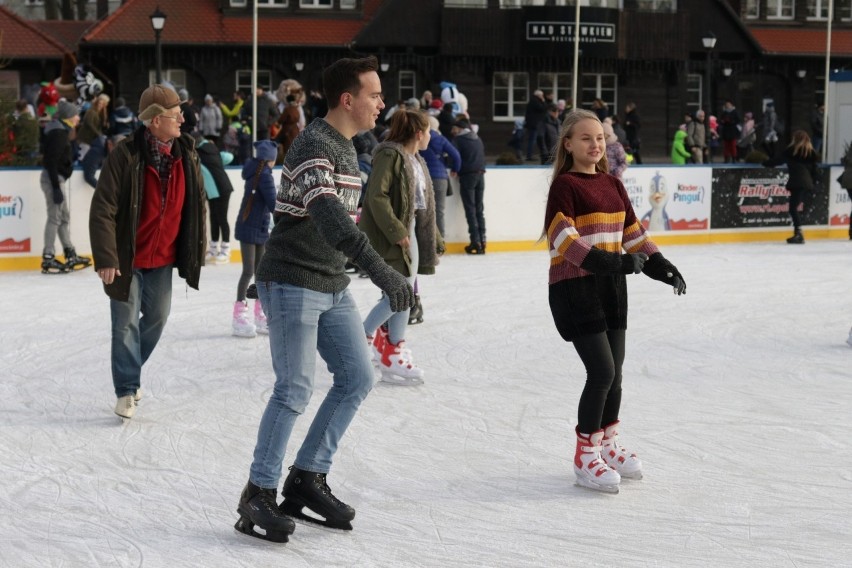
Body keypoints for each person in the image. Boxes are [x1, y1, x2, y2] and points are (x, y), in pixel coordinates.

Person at [234, 56, 414, 543]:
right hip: (293, 281)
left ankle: (307, 477)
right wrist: (383, 272)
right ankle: (258, 492)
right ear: (348, 99)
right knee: (293, 388)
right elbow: (332, 221)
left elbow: (325, 228)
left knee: (357, 376)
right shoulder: (315, 144)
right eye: (375, 94)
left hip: (329, 284)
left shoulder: (349, 150)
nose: (382, 103)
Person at [543, 109, 686, 494]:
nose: (595, 145)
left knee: (616, 374)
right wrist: (618, 263)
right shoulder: (565, 187)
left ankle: (607, 443)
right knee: (602, 372)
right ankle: (585, 454)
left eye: (600, 138)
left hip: (610, 289)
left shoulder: (613, 184)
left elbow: (634, 234)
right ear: (568, 144)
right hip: (575, 288)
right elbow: (565, 242)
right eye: (586, 138)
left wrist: (662, 265)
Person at [88, 84, 205, 420]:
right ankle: (127, 389)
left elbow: (196, 206)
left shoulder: (187, 153)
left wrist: (197, 248)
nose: (183, 118)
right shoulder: (126, 155)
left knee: (156, 318)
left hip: (163, 259)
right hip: (126, 259)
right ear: (154, 120)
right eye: (174, 114)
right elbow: (103, 208)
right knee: (125, 324)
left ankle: (130, 372)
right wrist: (107, 257)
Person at [360, 109, 443, 386]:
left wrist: (437, 239)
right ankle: (364, 337)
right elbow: (376, 195)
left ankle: (392, 349)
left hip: (411, 233)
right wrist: (396, 230)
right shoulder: (390, 155)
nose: (431, 136)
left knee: (402, 291)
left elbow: (423, 206)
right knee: (400, 291)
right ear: (418, 134)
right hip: (392, 234)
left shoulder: (416, 160)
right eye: (429, 131)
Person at [233, 140, 278, 338]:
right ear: (271, 159)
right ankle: (239, 316)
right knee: (250, 271)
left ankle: (260, 314)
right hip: (252, 228)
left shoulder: (255, 172)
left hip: (255, 228)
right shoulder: (265, 177)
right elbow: (274, 205)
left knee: (259, 273)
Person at [40, 99, 91, 274]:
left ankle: (70, 253)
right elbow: (50, 161)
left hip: (57, 179)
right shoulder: (58, 133)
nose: (78, 118)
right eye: (76, 115)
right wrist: (55, 187)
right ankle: (48, 257)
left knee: (64, 217)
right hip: (53, 179)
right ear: (68, 117)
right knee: (55, 217)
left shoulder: (62, 131)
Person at [763, 130, 820, 244]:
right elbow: (815, 171)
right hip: (807, 184)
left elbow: (777, 161)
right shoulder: (811, 153)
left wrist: (764, 163)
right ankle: (797, 233)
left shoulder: (792, 151)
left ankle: (799, 234)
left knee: (793, 208)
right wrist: (814, 183)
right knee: (795, 208)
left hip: (798, 182)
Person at [420, 114, 460, 238]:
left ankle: (426, 239)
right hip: (440, 178)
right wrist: (455, 169)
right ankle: (440, 241)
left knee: (424, 211)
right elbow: (456, 156)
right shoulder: (441, 139)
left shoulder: (420, 137)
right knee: (439, 211)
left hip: (424, 177)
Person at [196, 135, 234, 264]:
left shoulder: (198, 155)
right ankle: (213, 249)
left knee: (221, 218)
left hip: (221, 190)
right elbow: (229, 157)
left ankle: (225, 250)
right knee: (214, 218)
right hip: (215, 190)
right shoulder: (213, 149)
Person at [453, 117, 487, 254]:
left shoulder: (459, 140)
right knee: (479, 209)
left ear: (460, 129)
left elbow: (454, 156)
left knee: (470, 209)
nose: (453, 131)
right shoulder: (477, 138)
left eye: (455, 128)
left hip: (468, 176)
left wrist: (455, 169)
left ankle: (475, 241)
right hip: (481, 175)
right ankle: (483, 240)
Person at [77, 93, 110, 189]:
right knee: (83, 155)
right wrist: (99, 135)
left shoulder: (100, 113)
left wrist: (104, 112)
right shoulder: (91, 112)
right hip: (86, 138)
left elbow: (102, 125)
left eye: (103, 104)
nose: (101, 105)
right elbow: (90, 124)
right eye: (100, 103)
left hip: (92, 139)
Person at [524, 89, 547, 162]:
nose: (543, 97)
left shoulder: (532, 100)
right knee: (533, 140)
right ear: (539, 95)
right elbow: (543, 108)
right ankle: (529, 156)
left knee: (533, 140)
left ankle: (530, 155)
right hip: (534, 124)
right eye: (542, 95)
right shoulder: (535, 101)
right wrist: (543, 101)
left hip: (532, 124)